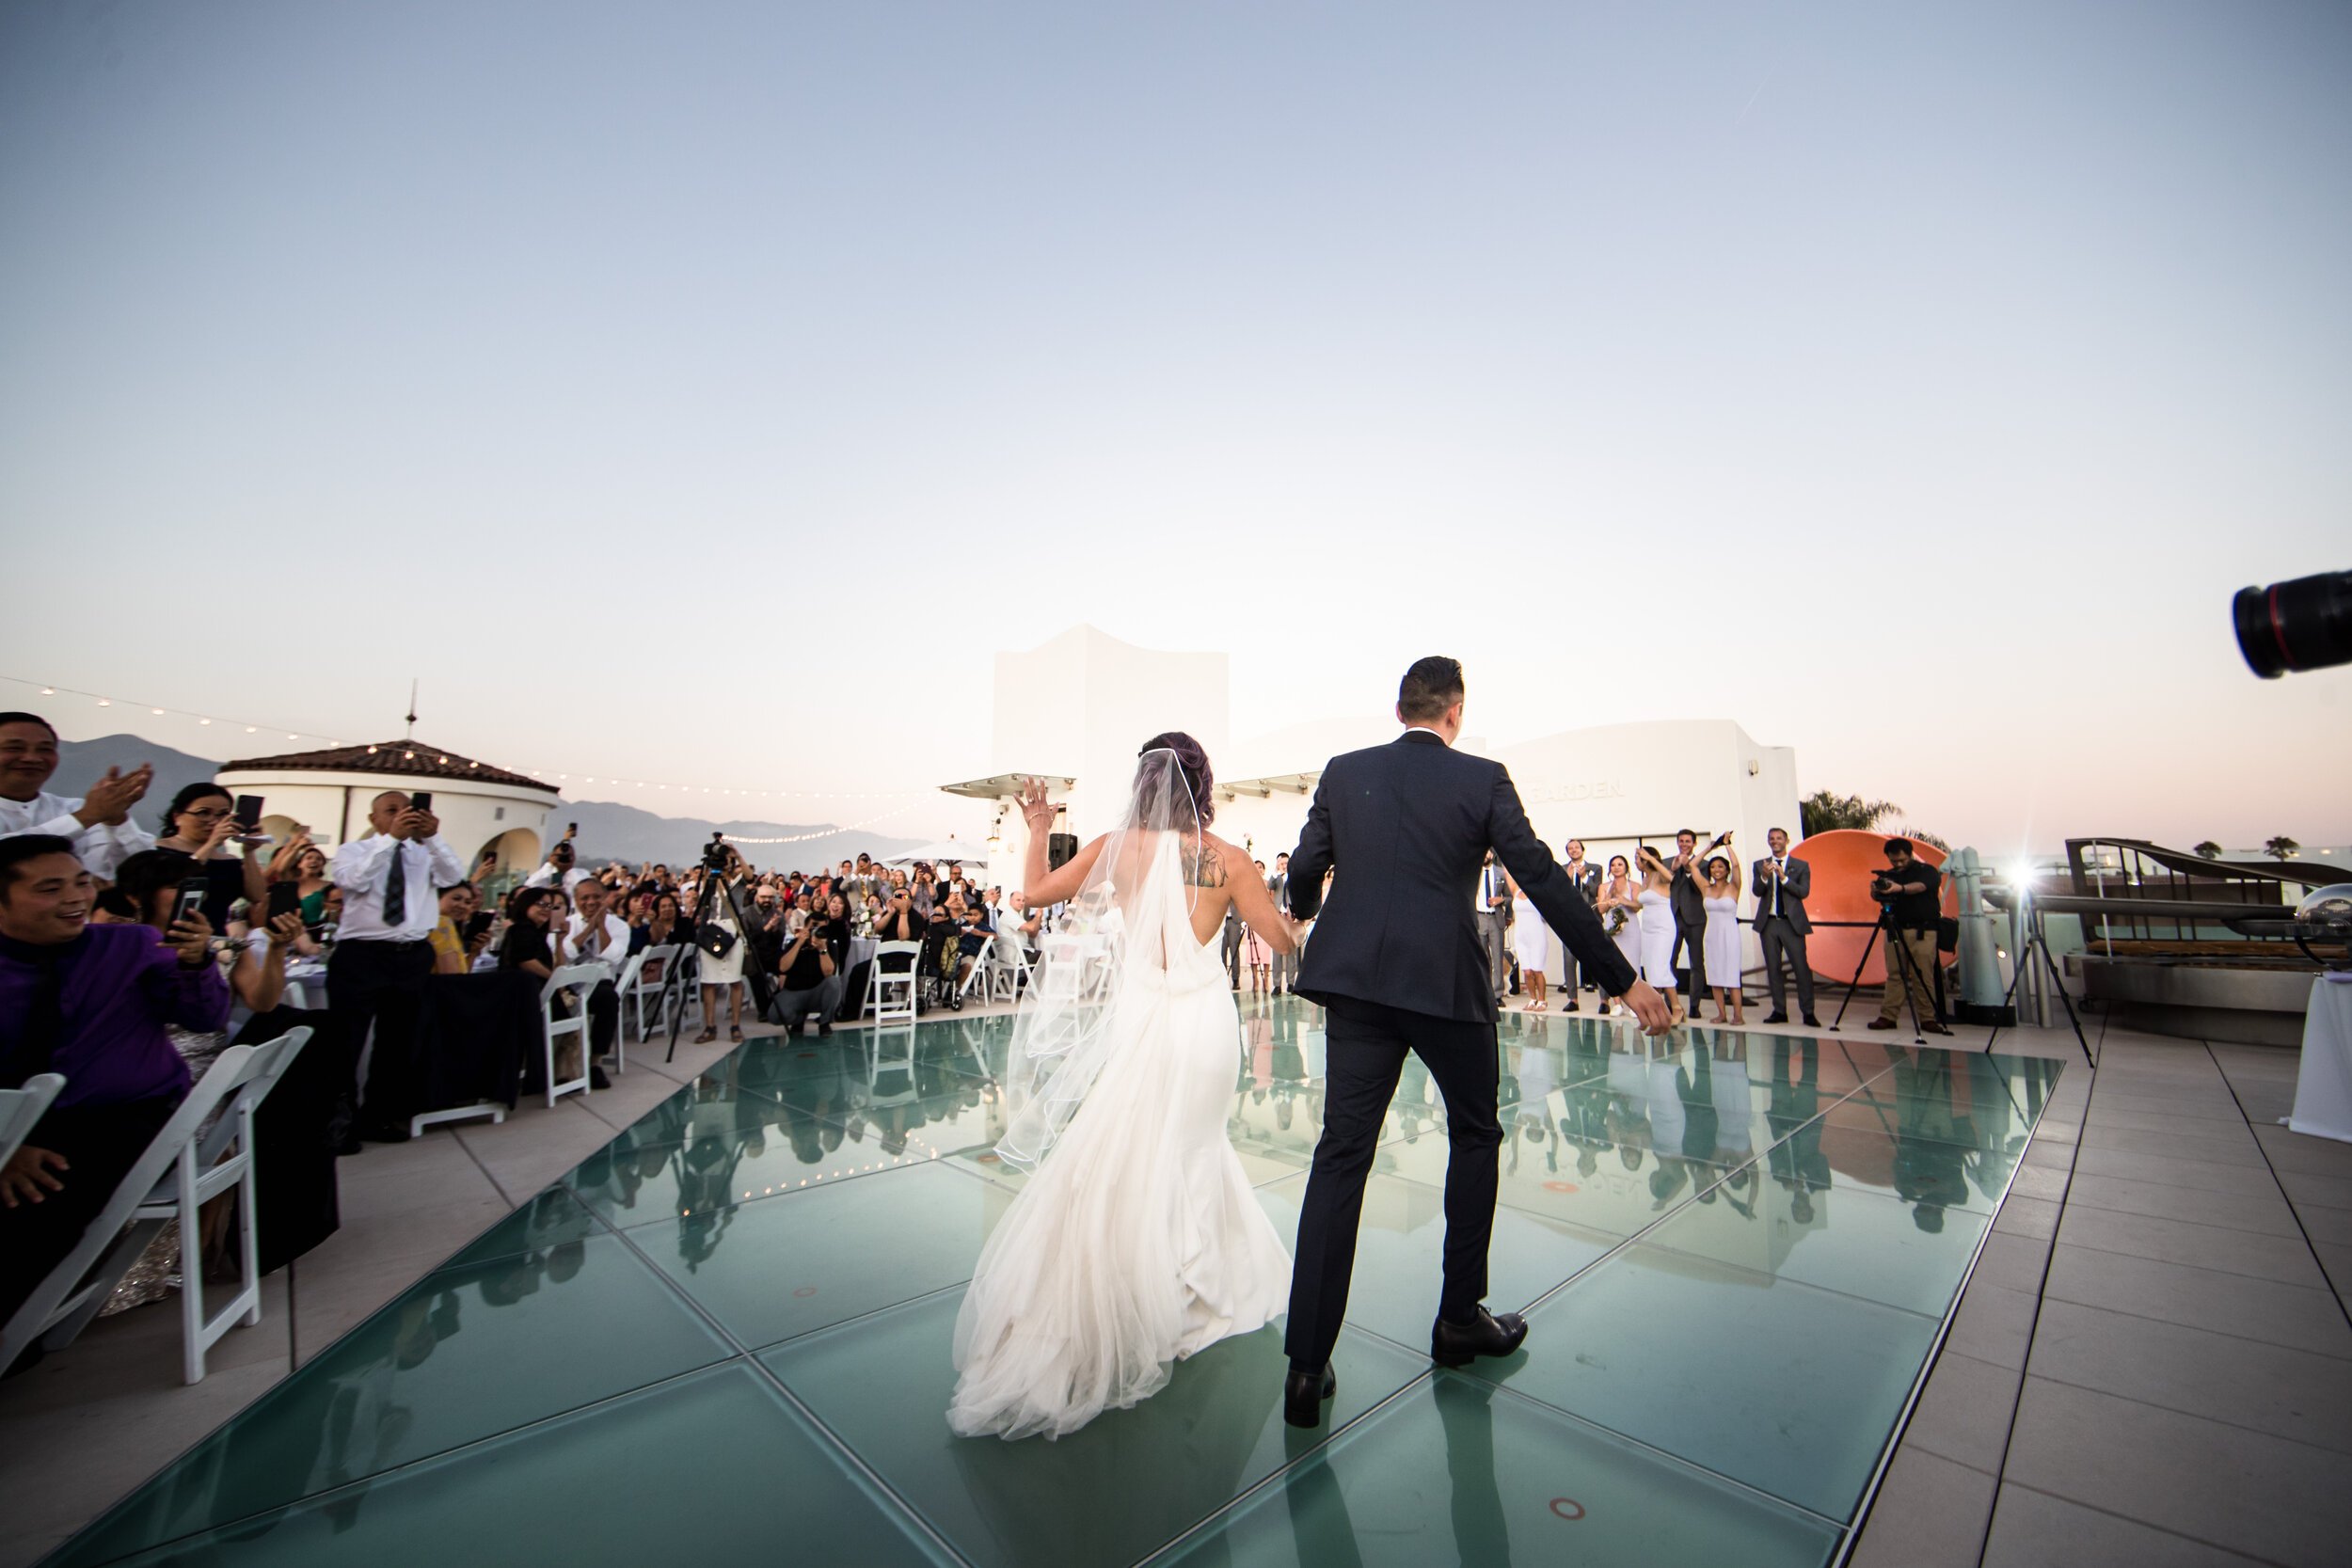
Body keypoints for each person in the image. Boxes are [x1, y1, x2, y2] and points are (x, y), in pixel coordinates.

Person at [1279, 658, 1670, 1430]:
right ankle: (1459, 1317)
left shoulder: (1343, 770)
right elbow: (1546, 881)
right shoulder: (1483, 778)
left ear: (1401, 709)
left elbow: (1304, 869)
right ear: (1455, 711)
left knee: (1342, 1153)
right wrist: (1622, 978)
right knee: (1476, 1132)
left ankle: (1305, 1365)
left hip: (1356, 983)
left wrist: (1303, 902)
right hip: (1444, 986)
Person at [951, 736, 1302, 1440]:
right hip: (1204, 1026)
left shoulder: (1119, 848)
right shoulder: (1229, 859)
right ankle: (1191, 1289)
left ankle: (1143, 1294)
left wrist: (1041, 828)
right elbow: (1283, 940)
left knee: (1138, 1152)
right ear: (1201, 784)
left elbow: (1034, 895)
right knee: (1196, 1147)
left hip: (1143, 1018)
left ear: (1142, 784)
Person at [0, 835, 225, 1339]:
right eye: (50, 889)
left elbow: (204, 1016)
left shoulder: (131, 946)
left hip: (120, 1117)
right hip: (13, 1123)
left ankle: (16, 1343)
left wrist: (195, 962)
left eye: (82, 882)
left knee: (32, 1208)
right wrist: (6, 1148)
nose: (75, 898)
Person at [325, 790, 463, 1149]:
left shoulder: (424, 854)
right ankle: (339, 1122)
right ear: (374, 819)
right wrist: (391, 841)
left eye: (408, 810)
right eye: (392, 810)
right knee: (346, 1039)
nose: (403, 815)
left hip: (411, 954)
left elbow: (453, 876)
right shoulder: (354, 851)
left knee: (397, 1041)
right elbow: (353, 880)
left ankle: (379, 1115)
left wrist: (432, 837)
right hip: (362, 955)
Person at [0, 713, 155, 880]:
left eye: (44, 749)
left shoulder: (75, 808)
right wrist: (86, 817)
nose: (32, 758)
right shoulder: (86, 813)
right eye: (14, 748)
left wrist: (116, 820)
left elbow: (142, 870)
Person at [1868, 838, 1948, 1035]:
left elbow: (1921, 887)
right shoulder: (1890, 875)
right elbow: (1880, 895)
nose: (1898, 864)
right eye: (1894, 861)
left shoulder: (1926, 871)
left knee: (1922, 975)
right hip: (1895, 929)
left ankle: (1928, 1018)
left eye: (1902, 860)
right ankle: (1888, 1016)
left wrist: (1900, 888)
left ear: (1910, 854)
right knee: (1895, 974)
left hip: (1922, 931)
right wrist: (1876, 891)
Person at [555, 878, 629, 1086]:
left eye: (596, 897)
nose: (590, 902)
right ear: (576, 900)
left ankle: (595, 1062)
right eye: (584, 898)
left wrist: (601, 927)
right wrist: (588, 929)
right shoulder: (567, 924)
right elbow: (566, 954)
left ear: (605, 898)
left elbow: (613, 956)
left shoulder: (620, 926)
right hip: (567, 983)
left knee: (608, 999)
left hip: (599, 984)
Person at [1752, 827, 1818, 1025]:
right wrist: (1764, 876)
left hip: (1792, 923)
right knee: (1773, 968)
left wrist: (1784, 878)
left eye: (1779, 838)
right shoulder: (1760, 865)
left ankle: (1808, 1012)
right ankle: (1779, 1010)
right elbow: (1757, 891)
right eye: (1771, 838)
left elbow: (1803, 892)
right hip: (1769, 923)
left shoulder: (1801, 865)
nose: (1775, 841)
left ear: (1786, 840)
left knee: (1801, 968)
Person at [771, 900, 845, 1037]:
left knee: (834, 982)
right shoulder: (794, 943)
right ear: (806, 928)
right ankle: (798, 1019)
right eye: (813, 929)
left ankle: (825, 1023)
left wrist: (822, 949)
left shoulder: (829, 946)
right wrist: (799, 943)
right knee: (775, 1016)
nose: (817, 932)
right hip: (794, 990)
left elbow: (829, 973)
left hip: (817, 991)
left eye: (821, 929)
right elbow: (783, 967)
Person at [1633, 846, 1683, 1023]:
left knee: (1661, 966)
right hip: (1647, 927)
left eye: (1638, 858)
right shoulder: (1645, 879)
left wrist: (1651, 858)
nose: (1635, 862)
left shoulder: (1660, 876)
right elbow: (1638, 905)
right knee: (1651, 969)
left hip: (1663, 926)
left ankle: (1677, 1007)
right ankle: (1659, 1009)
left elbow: (1670, 876)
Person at [1698, 854, 1745, 1024]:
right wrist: (1711, 846)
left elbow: (1737, 865)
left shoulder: (1734, 886)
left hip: (1729, 934)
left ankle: (1738, 1015)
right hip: (1711, 934)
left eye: (1720, 867)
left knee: (1731, 975)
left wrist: (1726, 843)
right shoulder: (1706, 888)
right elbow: (1693, 866)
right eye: (1713, 867)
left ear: (1726, 870)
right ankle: (1721, 1014)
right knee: (1715, 975)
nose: (1716, 870)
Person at [1558, 840, 1602, 1011]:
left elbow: (1595, 891)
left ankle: (1604, 1001)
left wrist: (1584, 877)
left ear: (1583, 850)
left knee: (1597, 959)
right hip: (1569, 919)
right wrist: (1568, 877)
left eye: (1576, 847)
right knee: (1569, 960)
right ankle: (1573, 999)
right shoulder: (1562, 869)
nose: (1573, 850)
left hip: (1590, 918)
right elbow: (1558, 891)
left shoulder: (1595, 868)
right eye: (1570, 848)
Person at [1597, 854, 1643, 1011]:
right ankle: (1617, 1004)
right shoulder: (1604, 886)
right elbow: (1601, 909)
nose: (1616, 867)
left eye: (1620, 864)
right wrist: (1610, 897)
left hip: (1630, 927)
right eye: (1613, 865)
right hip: (1611, 926)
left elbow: (1637, 906)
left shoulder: (1635, 885)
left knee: (1632, 963)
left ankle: (1635, 1004)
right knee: (1613, 964)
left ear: (1626, 868)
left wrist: (1623, 900)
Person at [1503, 869, 1549, 1010]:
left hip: (1537, 935)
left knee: (1537, 970)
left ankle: (1542, 1000)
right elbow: (1507, 873)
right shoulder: (1516, 890)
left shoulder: (1539, 892)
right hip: (1520, 935)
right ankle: (1532, 998)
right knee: (1527, 971)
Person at [497, 886, 560, 980]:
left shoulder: (534, 931)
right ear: (526, 904)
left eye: (549, 906)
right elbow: (525, 961)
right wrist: (554, 980)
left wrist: (560, 940)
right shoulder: (522, 929)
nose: (546, 909)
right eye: (541, 904)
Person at [1474, 851, 1510, 1004]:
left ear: (1491, 854)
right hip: (1479, 917)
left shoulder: (1500, 873)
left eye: (1487, 852)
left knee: (1497, 956)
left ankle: (1497, 994)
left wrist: (1501, 900)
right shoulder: (1474, 873)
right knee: (1482, 957)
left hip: (1495, 918)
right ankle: (1484, 992)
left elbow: (1510, 897)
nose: (1484, 855)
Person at [1266, 853, 1299, 995]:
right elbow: (1269, 885)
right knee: (1277, 952)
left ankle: (1291, 983)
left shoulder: (1294, 877)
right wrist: (1276, 871)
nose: (1284, 866)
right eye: (1282, 864)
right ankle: (1277, 984)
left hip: (1290, 917)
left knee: (1291, 952)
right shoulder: (1277, 878)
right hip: (1277, 916)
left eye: (1286, 863)